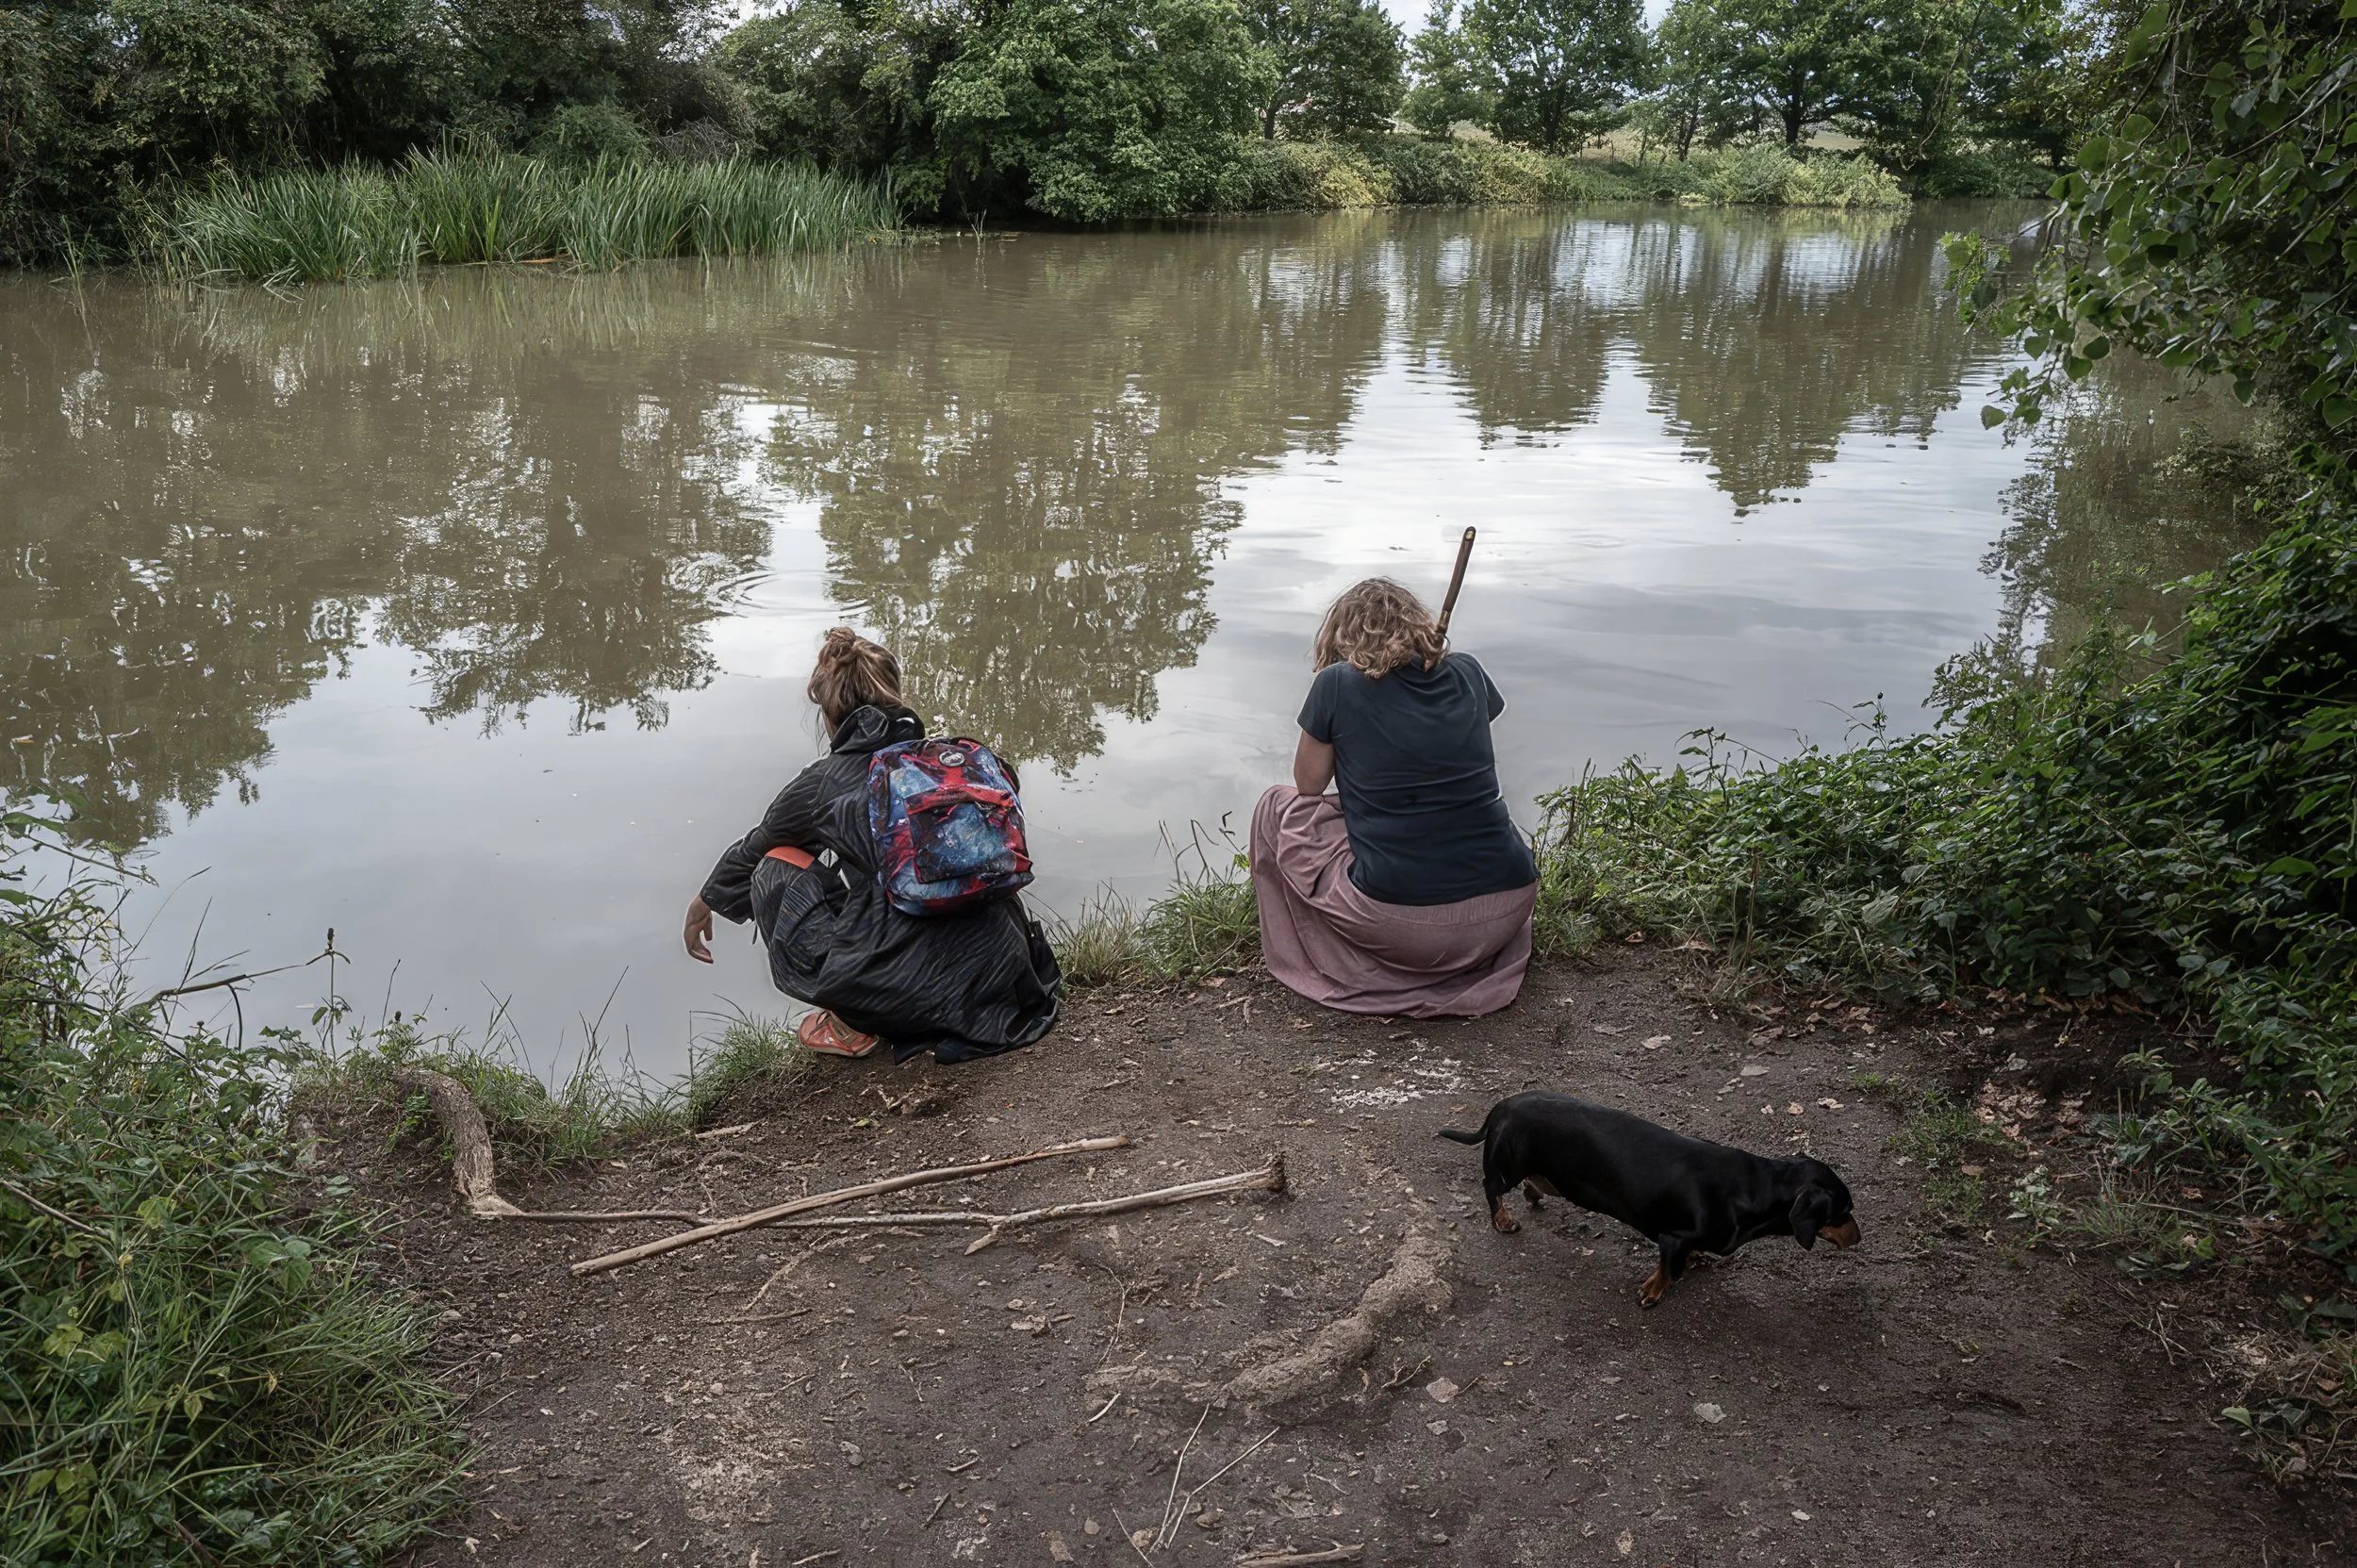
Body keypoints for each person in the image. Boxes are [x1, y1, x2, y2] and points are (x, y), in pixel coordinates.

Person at [684, 628, 1060, 1062]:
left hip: (904, 997)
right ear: (896, 694)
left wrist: (705, 900)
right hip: (1009, 978)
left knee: (776, 864)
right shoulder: (963, 761)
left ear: (828, 713)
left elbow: (756, 848)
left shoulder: (823, 782)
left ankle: (848, 1024)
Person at [1251, 578, 1539, 1016]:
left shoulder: (1336, 683)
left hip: (1408, 927)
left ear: (1341, 635)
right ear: (1417, 624)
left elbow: (1308, 786)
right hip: (1506, 909)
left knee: (1277, 805)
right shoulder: (1469, 671)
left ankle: (1327, 959)